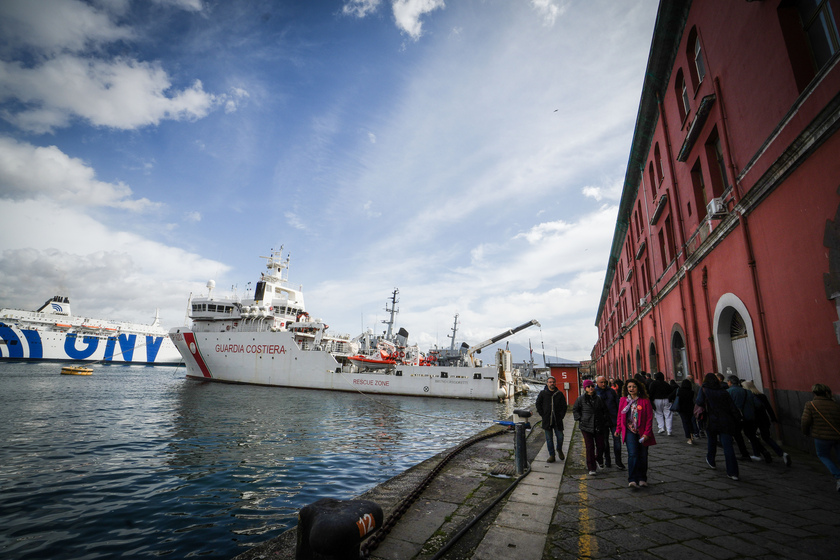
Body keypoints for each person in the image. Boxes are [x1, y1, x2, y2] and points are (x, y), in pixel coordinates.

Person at [696, 373, 741, 480]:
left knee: (711, 442)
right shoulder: (723, 391)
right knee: (728, 446)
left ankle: (711, 461)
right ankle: (733, 472)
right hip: (726, 421)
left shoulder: (704, 389)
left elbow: (699, 402)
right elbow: (732, 407)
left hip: (711, 420)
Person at [615, 378, 655, 488]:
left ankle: (642, 478)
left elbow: (649, 418)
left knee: (643, 455)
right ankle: (632, 479)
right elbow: (620, 415)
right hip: (629, 431)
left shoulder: (645, 400)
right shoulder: (623, 400)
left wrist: (647, 433)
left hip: (642, 432)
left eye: (634, 386)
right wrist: (618, 429)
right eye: (629, 387)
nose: (631, 388)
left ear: (638, 388)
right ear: (626, 389)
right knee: (632, 454)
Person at [801, 383, 840, 491]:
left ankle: (838, 476)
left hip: (821, 436)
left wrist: (805, 432)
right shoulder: (835, 404)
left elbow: (805, 421)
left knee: (823, 455)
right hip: (837, 435)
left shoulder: (810, 405)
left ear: (814, 393)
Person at [743, 380, 791, 466]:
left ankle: (756, 454)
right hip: (764, 419)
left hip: (754, 419)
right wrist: (773, 418)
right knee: (766, 437)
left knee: (752, 436)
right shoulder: (762, 396)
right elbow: (769, 408)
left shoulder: (749, 396)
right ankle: (783, 454)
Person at [727, 375, 770, 462]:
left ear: (730, 382)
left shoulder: (728, 392)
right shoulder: (747, 392)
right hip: (749, 417)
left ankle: (745, 453)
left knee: (738, 436)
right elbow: (758, 404)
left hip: (736, 418)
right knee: (751, 436)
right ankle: (764, 451)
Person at [573, 379, 608, 475]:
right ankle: (591, 467)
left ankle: (598, 458)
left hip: (598, 425)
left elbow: (604, 410)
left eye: (592, 386)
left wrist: (604, 420)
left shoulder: (599, 398)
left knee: (601, 446)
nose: (591, 388)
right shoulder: (580, 399)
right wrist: (580, 418)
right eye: (588, 387)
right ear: (585, 388)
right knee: (589, 447)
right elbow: (575, 409)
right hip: (586, 426)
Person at [535, 376, 568, 463]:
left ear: (555, 383)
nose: (551, 383)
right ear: (547, 383)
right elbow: (538, 404)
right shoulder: (543, 393)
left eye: (553, 382)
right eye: (550, 382)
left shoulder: (559, 394)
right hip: (547, 420)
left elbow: (564, 406)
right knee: (549, 439)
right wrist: (543, 414)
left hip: (557, 420)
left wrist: (561, 416)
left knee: (560, 437)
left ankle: (559, 449)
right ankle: (552, 455)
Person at [595, 375, 625, 470]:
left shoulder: (611, 391)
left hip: (613, 419)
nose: (603, 384)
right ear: (597, 383)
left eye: (605, 382)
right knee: (605, 442)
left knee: (617, 440)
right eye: (601, 382)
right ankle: (607, 460)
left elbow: (617, 404)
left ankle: (618, 461)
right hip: (602, 421)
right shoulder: (595, 392)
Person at [676, 379, 696, 444]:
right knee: (690, 422)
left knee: (685, 422)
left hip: (682, 409)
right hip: (690, 408)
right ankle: (692, 435)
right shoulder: (691, 392)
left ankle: (689, 437)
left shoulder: (680, 391)